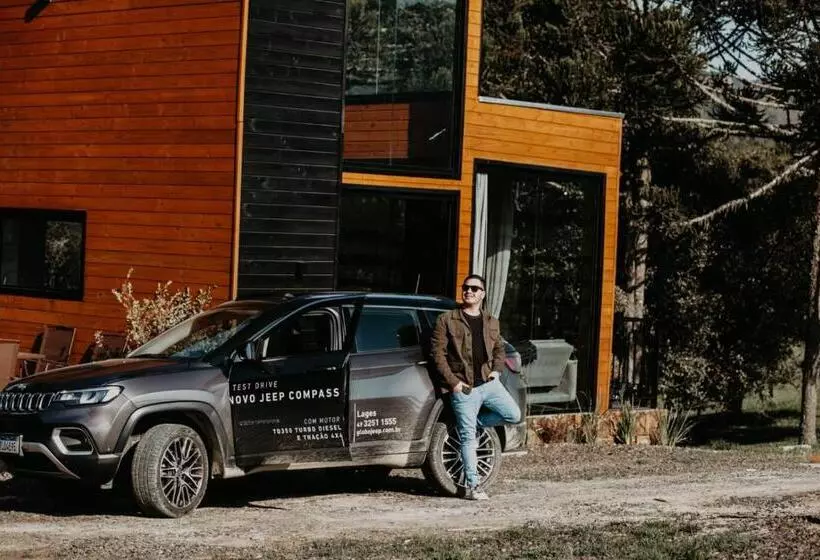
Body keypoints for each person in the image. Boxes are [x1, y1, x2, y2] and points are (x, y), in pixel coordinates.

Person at [430, 274, 522, 500]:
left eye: (474, 288)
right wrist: (453, 383)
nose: (468, 291)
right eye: (465, 288)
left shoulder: (491, 321)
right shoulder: (447, 319)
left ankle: (477, 423)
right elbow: (437, 355)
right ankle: (473, 487)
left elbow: (500, 349)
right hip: (464, 388)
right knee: (468, 438)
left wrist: (496, 371)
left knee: (513, 414)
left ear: (482, 294)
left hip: (489, 384)